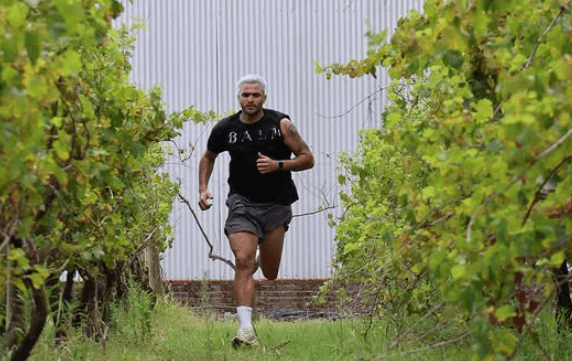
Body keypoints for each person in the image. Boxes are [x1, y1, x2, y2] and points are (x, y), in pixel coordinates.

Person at [198, 74, 314, 347]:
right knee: (243, 261)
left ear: (264, 97)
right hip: (242, 203)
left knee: (270, 272)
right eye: (245, 95)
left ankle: (261, 248)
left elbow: (307, 158)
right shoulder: (225, 128)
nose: (250, 100)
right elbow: (208, 157)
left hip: (276, 204)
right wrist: (203, 188)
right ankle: (246, 330)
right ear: (239, 97)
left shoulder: (281, 125)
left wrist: (278, 165)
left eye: (256, 95)